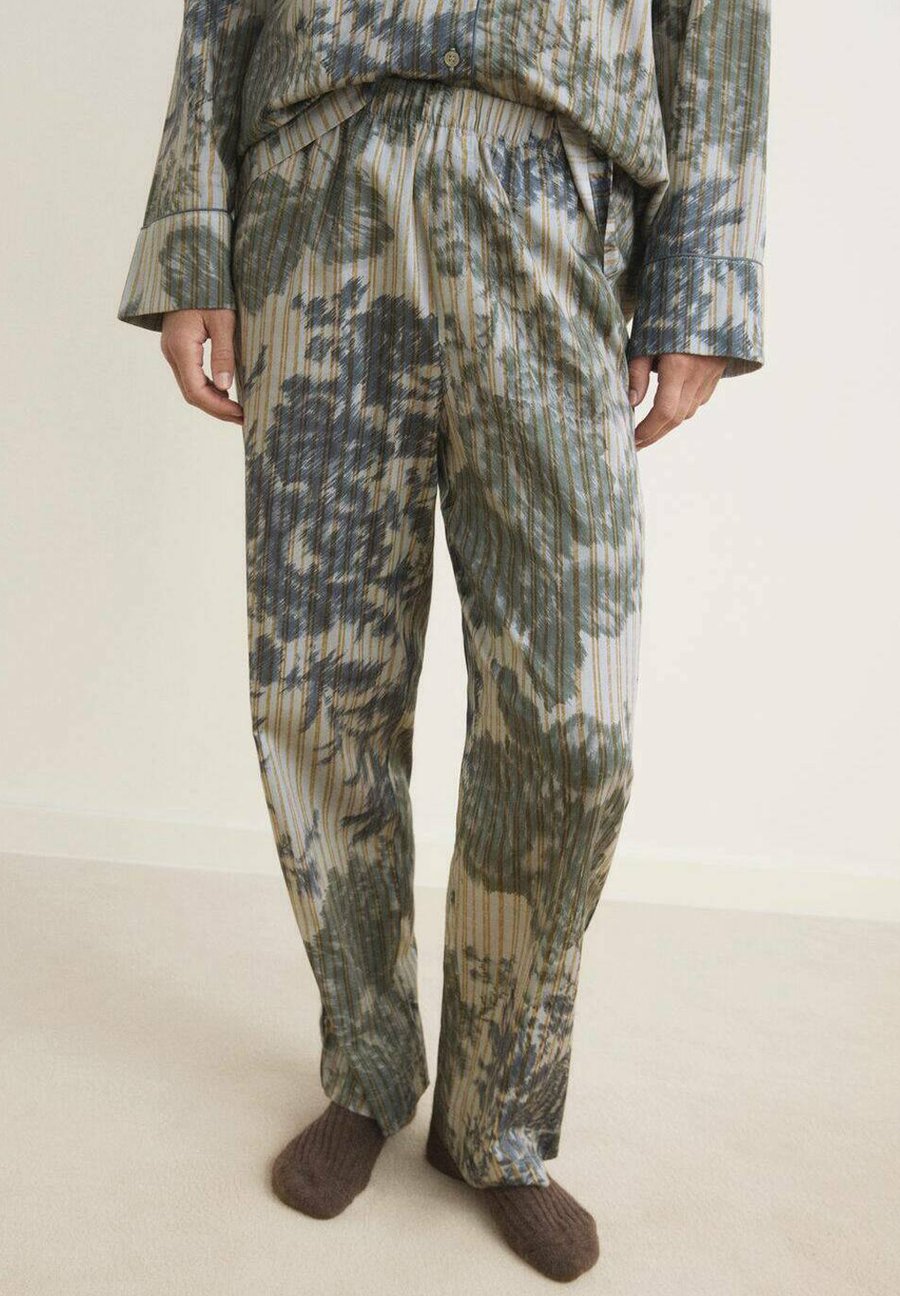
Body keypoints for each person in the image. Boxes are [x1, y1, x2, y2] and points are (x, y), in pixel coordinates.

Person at [118, 1, 769, 1281]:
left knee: (575, 722)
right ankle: (366, 1070)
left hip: (554, 186)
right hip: (316, 180)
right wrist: (193, 238)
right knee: (317, 685)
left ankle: (499, 1121)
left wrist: (705, 276)